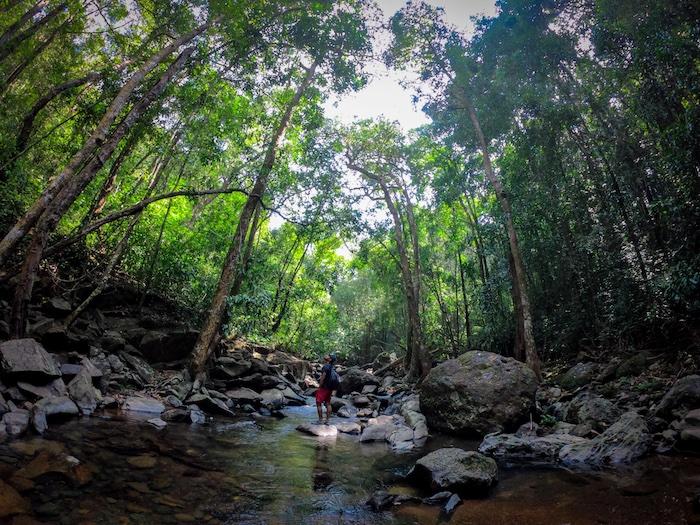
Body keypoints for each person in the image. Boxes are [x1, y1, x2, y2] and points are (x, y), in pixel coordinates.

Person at [315, 354, 337, 424]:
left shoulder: (326, 366)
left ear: (329, 359)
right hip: (330, 388)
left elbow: (323, 376)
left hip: (324, 387)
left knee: (318, 403)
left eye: (329, 356)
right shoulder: (332, 367)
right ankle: (327, 420)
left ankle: (320, 420)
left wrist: (319, 386)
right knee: (328, 403)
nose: (327, 355)